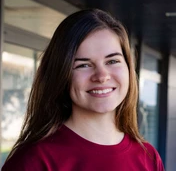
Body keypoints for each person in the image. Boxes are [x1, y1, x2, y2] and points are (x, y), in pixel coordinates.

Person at [2, 9, 165, 171]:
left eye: (112, 61)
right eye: (83, 65)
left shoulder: (148, 157)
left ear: (128, 67)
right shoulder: (34, 160)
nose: (102, 76)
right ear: (62, 74)